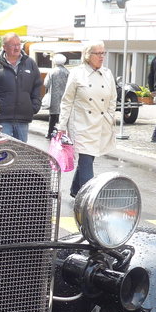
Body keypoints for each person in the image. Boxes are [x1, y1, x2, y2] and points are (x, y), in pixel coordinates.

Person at [57, 41, 116, 199]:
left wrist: (110, 118)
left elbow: (113, 100)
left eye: (103, 53)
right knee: (86, 159)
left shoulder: (107, 73)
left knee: (88, 158)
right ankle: (88, 199)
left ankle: (76, 189)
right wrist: (62, 125)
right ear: (88, 55)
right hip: (81, 124)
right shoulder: (77, 73)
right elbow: (67, 100)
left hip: (100, 125)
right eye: (98, 53)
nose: (102, 57)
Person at [0, 33, 41, 140]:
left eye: (18, 44)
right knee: (3, 153)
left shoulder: (30, 63)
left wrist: (34, 106)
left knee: (21, 152)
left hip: (23, 118)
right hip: (2, 119)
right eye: (13, 45)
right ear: (4, 47)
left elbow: (37, 85)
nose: (17, 48)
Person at [44, 53, 70, 139]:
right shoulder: (67, 72)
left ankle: (50, 133)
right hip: (64, 97)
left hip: (53, 97)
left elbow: (46, 84)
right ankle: (60, 135)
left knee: (53, 116)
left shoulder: (52, 71)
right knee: (62, 116)